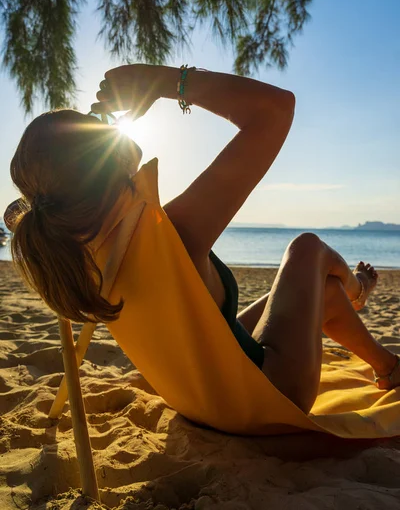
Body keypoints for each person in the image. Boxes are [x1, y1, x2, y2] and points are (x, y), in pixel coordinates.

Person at [7, 64, 400, 418]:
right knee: (307, 249)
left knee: (321, 293)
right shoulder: (169, 235)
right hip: (267, 399)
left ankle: (386, 364)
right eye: (93, 125)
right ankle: (358, 289)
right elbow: (276, 109)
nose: (105, 123)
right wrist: (160, 82)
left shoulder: (74, 248)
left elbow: (21, 208)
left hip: (199, 400)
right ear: (101, 166)